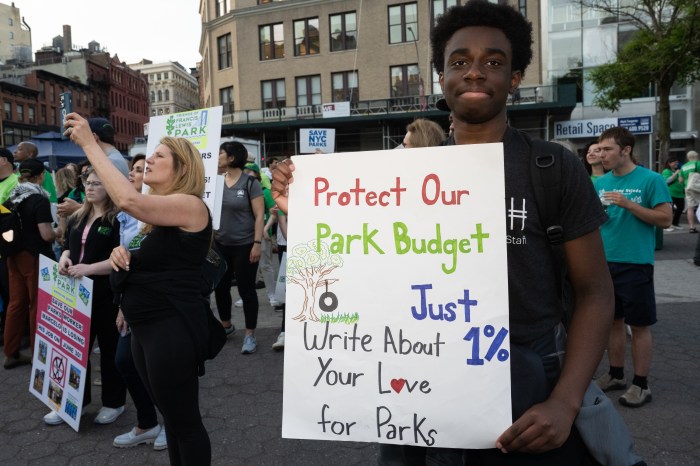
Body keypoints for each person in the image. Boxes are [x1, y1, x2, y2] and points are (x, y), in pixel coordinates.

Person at [273, 2, 615, 463]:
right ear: (440, 77)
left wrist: (565, 401)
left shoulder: (552, 167)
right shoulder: (399, 178)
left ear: (514, 78)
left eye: (493, 62)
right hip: (417, 385)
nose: (475, 73)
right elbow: (357, 273)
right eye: (459, 62)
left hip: (526, 389)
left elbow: (595, 291)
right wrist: (311, 212)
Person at [65, 112, 212, 465]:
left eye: (160, 156)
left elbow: (130, 201)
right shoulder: (155, 222)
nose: (149, 161)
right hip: (145, 330)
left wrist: (89, 143)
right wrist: (121, 254)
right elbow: (152, 261)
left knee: (185, 424)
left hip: (170, 330)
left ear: (182, 169)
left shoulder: (190, 205)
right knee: (172, 423)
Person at [593, 126, 672, 408]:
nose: (601, 155)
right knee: (612, 322)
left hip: (636, 263)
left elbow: (664, 219)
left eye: (607, 149)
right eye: (599, 149)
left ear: (626, 150)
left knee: (638, 326)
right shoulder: (599, 184)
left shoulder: (650, 180)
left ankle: (641, 384)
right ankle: (616, 375)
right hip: (604, 263)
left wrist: (628, 204)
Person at [45, 168, 127, 426]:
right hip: (75, 293)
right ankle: (72, 402)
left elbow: (120, 258)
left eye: (97, 184)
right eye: (87, 183)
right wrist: (65, 258)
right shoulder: (79, 216)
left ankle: (115, 403)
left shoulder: (117, 219)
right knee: (73, 348)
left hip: (105, 293)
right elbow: (69, 245)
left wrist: (88, 269)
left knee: (109, 350)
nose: (89, 188)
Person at [112, 153, 167, 451]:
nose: (135, 174)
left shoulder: (166, 210)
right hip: (133, 302)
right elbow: (124, 260)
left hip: (160, 306)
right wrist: (123, 304)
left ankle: (171, 423)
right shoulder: (126, 215)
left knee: (160, 369)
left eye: (142, 169)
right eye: (134, 169)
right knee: (125, 361)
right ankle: (147, 423)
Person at [3, 159, 55, 369]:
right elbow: (46, 234)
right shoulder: (38, 199)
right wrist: (58, 234)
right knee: (37, 305)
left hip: (12, 255)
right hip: (33, 257)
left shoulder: (13, 196)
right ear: (41, 175)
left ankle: (11, 353)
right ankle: (38, 355)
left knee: (15, 304)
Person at [214, 141, 265, 354]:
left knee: (246, 290)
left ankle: (250, 334)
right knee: (220, 287)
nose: (218, 156)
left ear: (232, 157)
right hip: (220, 245)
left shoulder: (249, 183)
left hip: (245, 246)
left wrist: (257, 244)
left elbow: (260, 215)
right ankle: (226, 326)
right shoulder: (216, 182)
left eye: (221, 153)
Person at [244, 162, 280, 308]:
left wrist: (265, 229)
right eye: (245, 173)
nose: (247, 176)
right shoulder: (241, 190)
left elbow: (274, 211)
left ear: (257, 175)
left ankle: (272, 294)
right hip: (245, 234)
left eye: (250, 173)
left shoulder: (265, 192)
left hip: (262, 234)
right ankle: (245, 294)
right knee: (246, 266)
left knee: (265, 265)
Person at [0, 148, 18, 342]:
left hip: (7, 250)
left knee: (11, 295)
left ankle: (13, 332)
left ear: (4, 160)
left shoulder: (16, 182)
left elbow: (9, 214)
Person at [661, 156, 685, 230]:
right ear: (669, 163)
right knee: (669, 210)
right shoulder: (666, 171)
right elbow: (667, 181)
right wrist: (676, 173)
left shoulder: (677, 171)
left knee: (681, 208)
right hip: (670, 193)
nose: (676, 164)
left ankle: (675, 223)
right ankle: (666, 225)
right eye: (674, 162)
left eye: (677, 162)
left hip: (680, 193)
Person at [680, 150, 700, 233]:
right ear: (696, 156)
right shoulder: (698, 163)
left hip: (687, 187)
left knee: (690, 207)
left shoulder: (683, 166)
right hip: (697, 187)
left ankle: (691, 227)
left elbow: (680, 180)